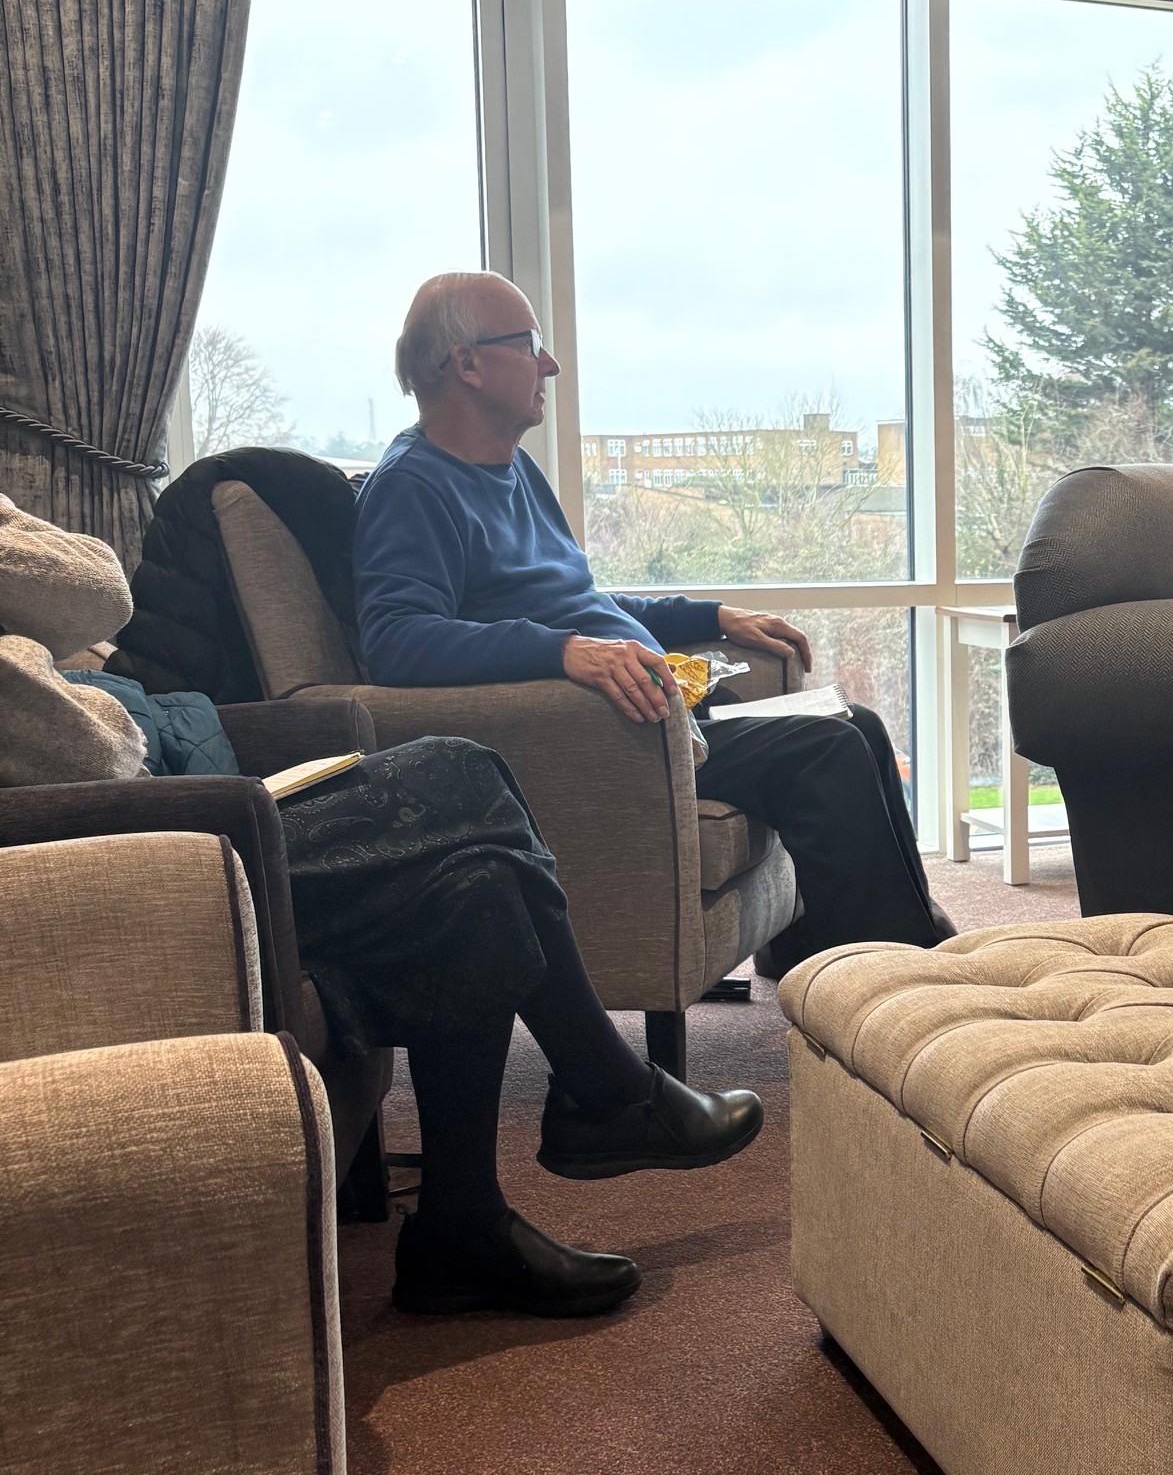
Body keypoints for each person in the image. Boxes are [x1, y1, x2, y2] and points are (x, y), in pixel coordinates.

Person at [0, 490, 762, 1319]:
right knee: (462, 772)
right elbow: (101, 742)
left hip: (161, 817)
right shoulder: (422, 482)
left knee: (477, 882)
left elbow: (96, 597)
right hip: (127, 859)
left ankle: (462, 1225)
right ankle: (606, 1090)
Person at [353, 271, 953, 982]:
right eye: (531, 344)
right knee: (827, 750)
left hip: (660, 717)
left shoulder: (515, 473)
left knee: (859, 724)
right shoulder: (412, 486)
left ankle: (841, 946)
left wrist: (710, 616)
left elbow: (580, 599)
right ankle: (908, 987)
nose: (551, 365)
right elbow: (396, 639)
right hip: (604, 739)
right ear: (468, 364)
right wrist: (563, 653)